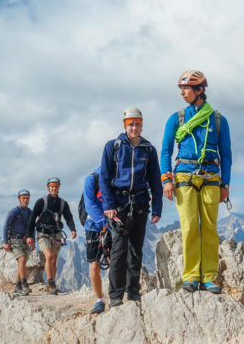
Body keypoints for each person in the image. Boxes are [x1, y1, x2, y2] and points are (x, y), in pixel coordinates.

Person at [160, 70, 232, 294]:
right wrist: (166, 179)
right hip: (183, 176)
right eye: (181, 89)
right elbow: (165, 151)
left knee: (209, 228)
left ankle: (209, 277)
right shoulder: (177, 118)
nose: (182, 93)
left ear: (200, 90)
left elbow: (226, 154)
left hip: (211, 176)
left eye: (186, 89)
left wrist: (225, 185)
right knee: (189, 226)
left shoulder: (218, 120)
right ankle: (191, 276)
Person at [99, 107, 162, 308]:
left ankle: (133, 291)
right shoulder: (113, 146)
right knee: (118, 249)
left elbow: (155, 180)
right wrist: (108, 205)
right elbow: (105, 177)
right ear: (125, 125)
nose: (134, 127)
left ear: (142, 124)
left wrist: (157, 208)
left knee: (136, 250)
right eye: (130, 124)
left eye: (137, 123)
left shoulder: (148, 149)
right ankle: (116, 295)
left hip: (141, 204)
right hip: (118, 205)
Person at [27, 177, 77, 295]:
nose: (54, 188)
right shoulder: (41, 202)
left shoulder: (63, 203)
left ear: (59, 187)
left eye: (56, 186)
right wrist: (29, 236)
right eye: (52, 186)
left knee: (54, 260)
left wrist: (73, 229)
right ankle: (50, 283)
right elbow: (32, 218)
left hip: (56, 234)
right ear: (48, 188)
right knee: (49, 256)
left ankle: (52, 284)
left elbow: (69, 217)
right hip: (43, 234)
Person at [81, 167, 107, 314]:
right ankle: (99, 300)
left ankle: (117, 295)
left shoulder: (116, 176)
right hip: (93, 227)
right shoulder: (91, 179)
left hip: (110, 225)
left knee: (115, 260)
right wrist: (105, 223)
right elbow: (89, 205)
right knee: (94, 266)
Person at [3, 189, 35, 296]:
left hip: (25, 241)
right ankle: (25, 284)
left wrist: (32, 240)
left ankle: (17, 286)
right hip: (14, 240)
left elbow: (32, 228)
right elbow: (6, 226)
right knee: (22, 259)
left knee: (22, 263)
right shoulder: (14, 211)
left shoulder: (30, 212)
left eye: (27, 198)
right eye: (23, 198)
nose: (26, 200)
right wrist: (5, 242)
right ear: (19, 199)